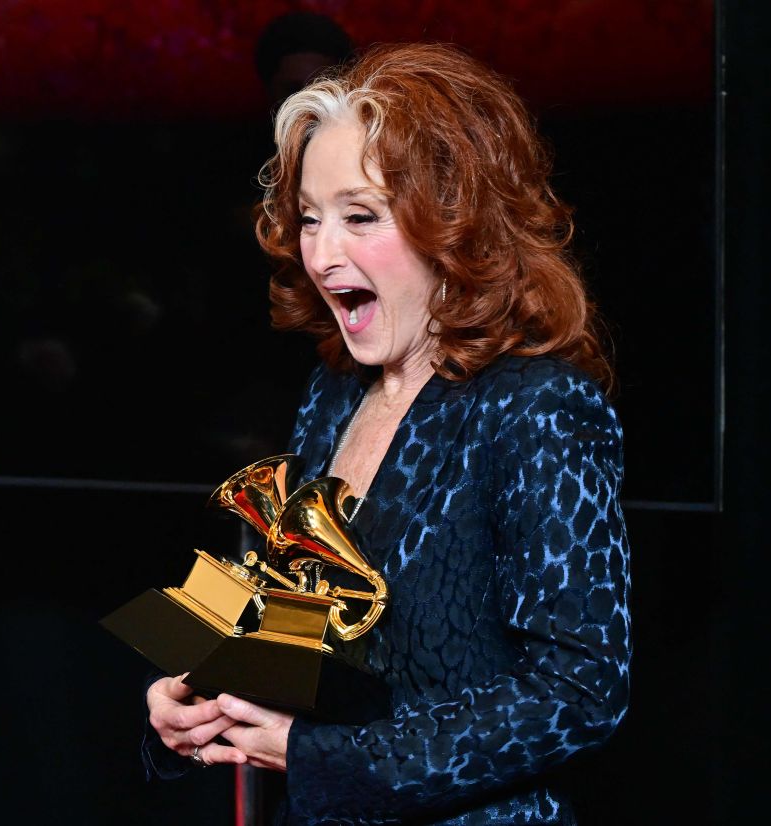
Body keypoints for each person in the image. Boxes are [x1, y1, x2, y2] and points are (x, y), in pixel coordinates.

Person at [144, 43, 631, 824]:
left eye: (360, 216)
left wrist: (313, 754)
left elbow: (578, 693)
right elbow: (300, 602)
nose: (322, 252)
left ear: (456, 222)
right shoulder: (334, 392)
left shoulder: (538, 407)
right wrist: (193, 690)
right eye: (309, 217)